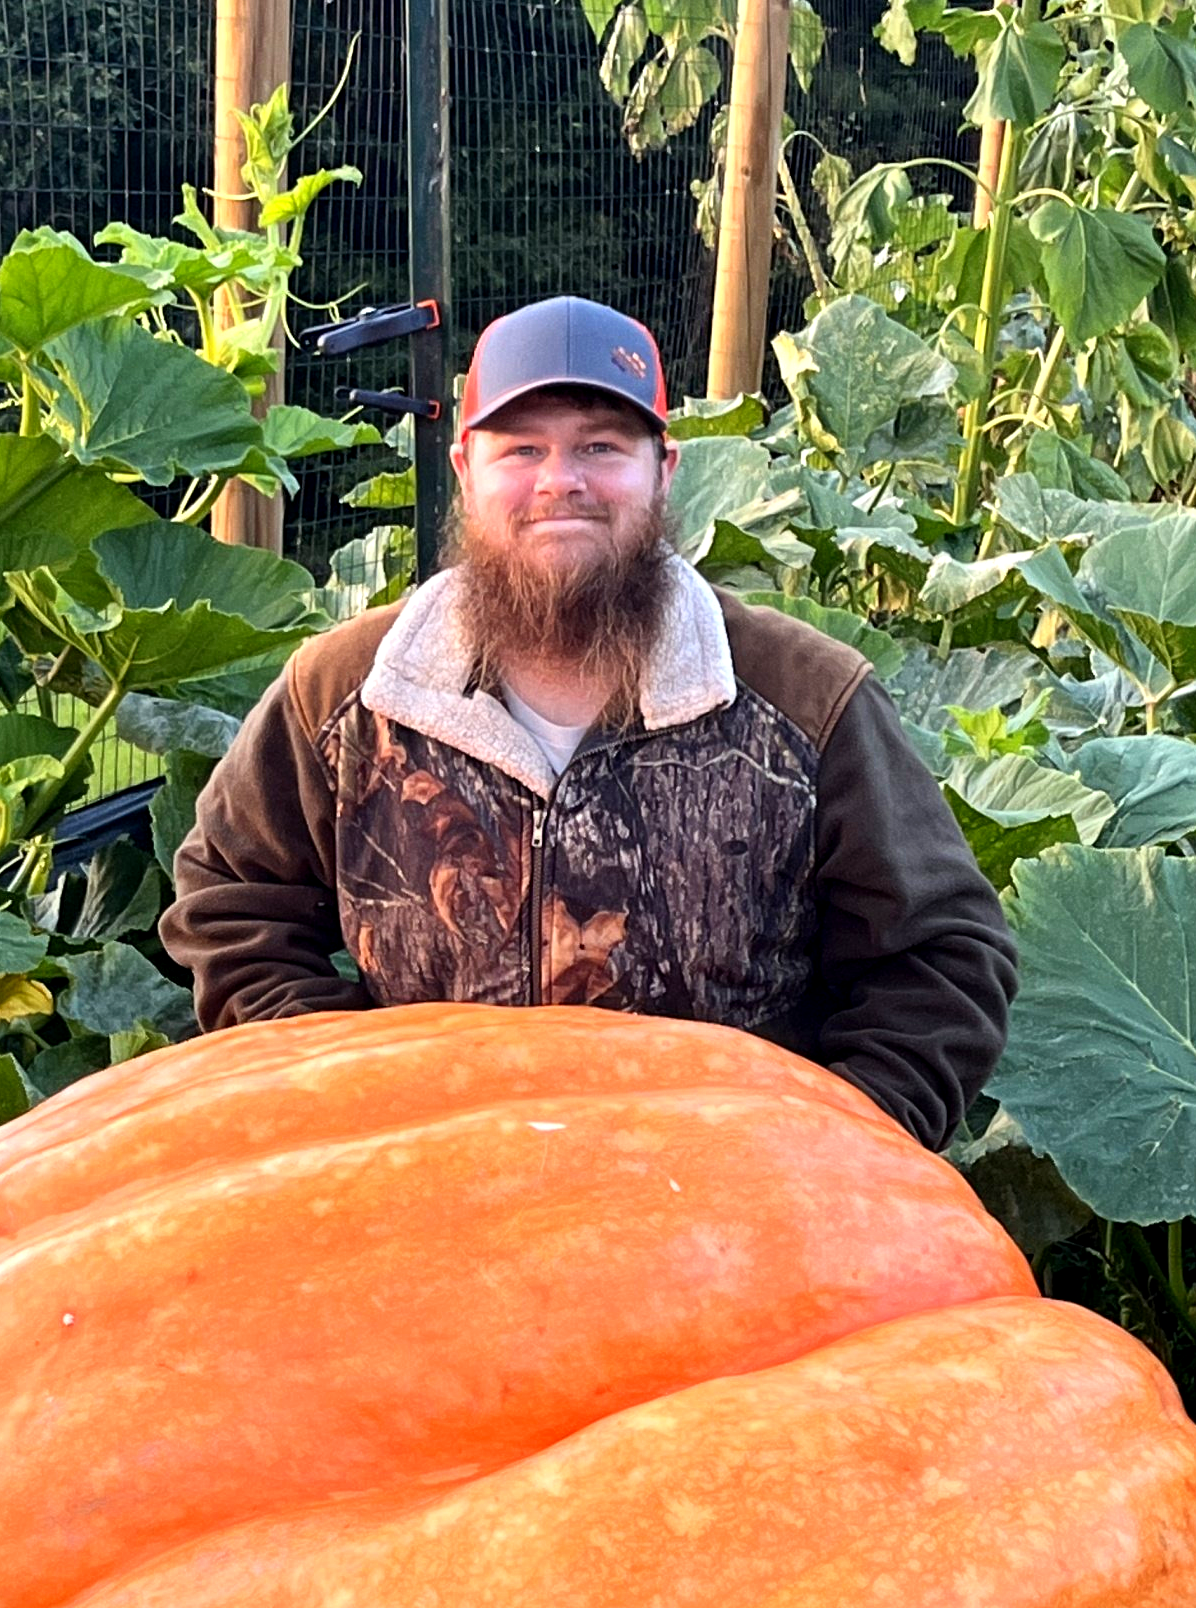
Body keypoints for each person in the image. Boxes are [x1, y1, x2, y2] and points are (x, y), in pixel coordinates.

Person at [159, 295, 1016, 1149]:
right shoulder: (347, 694)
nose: (559, 481)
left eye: (600, 448)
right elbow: (231, 901)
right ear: (465, 469)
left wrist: (832, 1154)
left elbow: (942, 957)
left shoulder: (805, 701)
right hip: (431, 1193)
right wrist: (347, 1099)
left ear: (665, 470)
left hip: (725, 1220)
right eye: (522, 448)